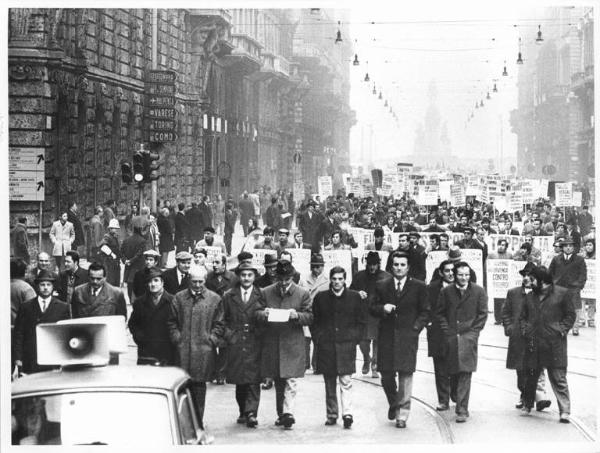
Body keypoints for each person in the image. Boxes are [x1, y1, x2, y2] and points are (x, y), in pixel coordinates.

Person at [371, 251, 429, 428]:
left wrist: (415, 329)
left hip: (407, 337)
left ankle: (402, 414)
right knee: (386, 375)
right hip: (386, 336)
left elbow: (425, 311)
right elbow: (371, 307)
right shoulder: (382, 285)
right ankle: (394, 402)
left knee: (405, 374)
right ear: (391, 266)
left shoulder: (419, 287)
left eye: (403, 265)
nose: (399, 268)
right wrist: (383, 308)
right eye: (396, 264)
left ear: (408, 267)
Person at [255, 260, 313, 430]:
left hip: (293, 343)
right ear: (276, 277)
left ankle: (289, 412)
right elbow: (256, 313)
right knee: (279, 380)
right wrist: (263, 314)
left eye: (287, 279)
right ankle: (282, 414)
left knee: (291, 379)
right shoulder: (266, 292)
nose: (284, 283)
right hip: (273, 343)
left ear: (292, 277)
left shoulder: (302, 293)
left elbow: (310, 317)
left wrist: (297, 316)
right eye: (281, 279)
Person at [168, 266, 223, 429]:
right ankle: (182, 421)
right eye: (194, 281)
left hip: (203, 351)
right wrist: (177, 338)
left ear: (205, 280)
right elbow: (171, 322)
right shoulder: (179, 298)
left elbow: (220, 323)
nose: (197, 285)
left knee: (199, 388)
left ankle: (198, 421)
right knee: (183, 386)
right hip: (183, 349)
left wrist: (211, 339)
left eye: (200, 281)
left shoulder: (214, 299)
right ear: (189, 280)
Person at [519, 266, 575, 423]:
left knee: (558, 378)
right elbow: (523, 317)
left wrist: (561, 330)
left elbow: (570, 315)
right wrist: (525, 330)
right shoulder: (530, 296)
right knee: (531, 376)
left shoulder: (562, 293)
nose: (529, 282)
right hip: (534, 342)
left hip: (554, 343)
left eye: (533, 279)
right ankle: (527, 404)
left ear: (542, 281)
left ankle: (565, 411)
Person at [312, 266, 365, 429]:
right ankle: (332, 414)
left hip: (346, 345)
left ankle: (347, 413)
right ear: (330, 280)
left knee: (346, 380)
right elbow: (315, 322)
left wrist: (354, 339)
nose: (337, 282)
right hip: (327, 345)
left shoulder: (354, 297)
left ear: (345, 280)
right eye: (334, 279)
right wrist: (318, 338)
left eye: (340, 279)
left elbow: (361, 322)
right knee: (329, 382)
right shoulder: (321, 298)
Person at [435, 261, 488, 423]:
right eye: (460, 275)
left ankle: (462, 409)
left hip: (468, 337)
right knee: (453, 372)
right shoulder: (446, 291)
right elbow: (440, 313)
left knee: (465, 372)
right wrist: (447, 330)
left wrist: (474, 333)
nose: (464, 278)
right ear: (455, 275)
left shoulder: (479, 291)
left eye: (466, 275)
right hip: (451, 337)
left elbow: (482, 314)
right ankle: (455, 397)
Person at [218, 263, 265, 428]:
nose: (246, 278)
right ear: (239, 276)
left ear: (254, 277)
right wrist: (230, 336)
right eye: (243, 275)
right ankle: (243, 410)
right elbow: (221, 320)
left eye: (249, 275)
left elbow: (265, 317)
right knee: (240, 380)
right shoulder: (228, 295)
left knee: (253, 379)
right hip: (236, 342)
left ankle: (252, 412)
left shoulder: (261, 295)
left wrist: (261, 334)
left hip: (254, 341)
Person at [502, 262, 552, 412]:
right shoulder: (513, 293)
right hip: (518, 337)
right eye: (524, 276)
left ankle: (538, 398)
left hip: (535, 338)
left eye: (530, 276)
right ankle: (524, 394)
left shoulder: (541, 294)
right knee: (520, 370)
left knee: (537, 369)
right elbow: (505, 313)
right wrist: (509, 328)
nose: (526, 279)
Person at [12, 270, 70, 375]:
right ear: (37, 286)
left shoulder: (63, 307)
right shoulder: (26, 307)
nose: (46, 288)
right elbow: (19, 334)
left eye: (49, 284)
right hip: (31, 358)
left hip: (53, 358)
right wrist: (18, 359)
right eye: (42, 284)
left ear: (53, 287)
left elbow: (66, 334)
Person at [350, 251, 391, 378]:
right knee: (363, 341)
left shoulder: (386, 277)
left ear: (379, 264)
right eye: (370, 264)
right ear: (366, 264)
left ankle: (375, 364)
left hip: (379, 313)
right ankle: (366, 358)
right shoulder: (359, 276)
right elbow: (350, 291)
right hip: (363, 313)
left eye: (374, 264)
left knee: (378, 341)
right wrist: (357, 293)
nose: (372, 267)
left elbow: (391, 295)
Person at [128, 267, 177, 366]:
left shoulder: (173, 301)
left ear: (162, 283)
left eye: (156, 280)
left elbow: (178, 324)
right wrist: (139, 338)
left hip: (167, 350)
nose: (153, 284)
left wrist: (173, 340)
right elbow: (133, 323)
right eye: (150, 281)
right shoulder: (140, 302)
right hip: (146, 350)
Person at [426, 259, 455, 411]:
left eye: (452, 270)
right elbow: (426, 307)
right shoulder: (432, 288)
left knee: (456, 365)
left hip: (457, 333)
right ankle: (443, 399)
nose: (451, 273)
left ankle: (455, 391)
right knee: (440, 368)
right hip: (438, 332)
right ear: (440, 273)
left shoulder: (462, 286)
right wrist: (429, 324)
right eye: (447, 271)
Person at [548, 237, 587, 335]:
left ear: (574, 248)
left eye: (570, 246)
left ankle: (575, 327)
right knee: (558, 307)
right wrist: (552, 284)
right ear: (562, 248)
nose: (568, 248)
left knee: (575, 308)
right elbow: (550, 273)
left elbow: (583, 274)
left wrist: (579, 286)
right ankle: (560, 326)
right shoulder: (556, 259)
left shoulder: (579, 260)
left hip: (573, 288)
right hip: (559, 287)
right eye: (566, 246)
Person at [299, 253, 330, 373]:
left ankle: (317, 365)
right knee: (306, 339)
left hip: (321, 314)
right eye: (314, 266)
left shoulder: (327, 280)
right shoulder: (304, 279)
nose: (316, 269)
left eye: (319, 266)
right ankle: (305, 364)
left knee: (318, 339)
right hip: (307, 311)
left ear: (323, 267)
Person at [488, 239, 513, 325]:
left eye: (503, 245)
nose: (501, 246)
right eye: (499, 244)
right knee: (497, 300)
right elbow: (487, 266)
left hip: (505, 281)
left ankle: (505, 318)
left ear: (506, 247)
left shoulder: (509, 255)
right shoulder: (492, 255)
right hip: (496, 280)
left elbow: (511, 267)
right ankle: (498, 318)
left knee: (506, 301)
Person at [121, 226, 148, 302]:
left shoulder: (126, 240)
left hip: (128, 266)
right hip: (138, 266)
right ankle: (137, 299)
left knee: (130, 283)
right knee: (139, 282)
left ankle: (130, 299)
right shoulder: (142, 241)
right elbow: (140, 254)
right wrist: (131, 260)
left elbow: (121, 252)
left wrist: (126, 260)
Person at [10, 259, 36, 328]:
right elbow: (34, 311)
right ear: (24, 272)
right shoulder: (26, 288)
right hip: (22, 328)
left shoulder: (4, 285)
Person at [97, 218, 122, 287]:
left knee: (116, 281)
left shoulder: (115, 237)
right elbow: (102, 246)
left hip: (116, 262)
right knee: (110, 281)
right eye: (115, 228)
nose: (116, 230)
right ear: (110, 228)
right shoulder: (107, 236)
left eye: (117, 228)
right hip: (109, 262)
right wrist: (111, 254)